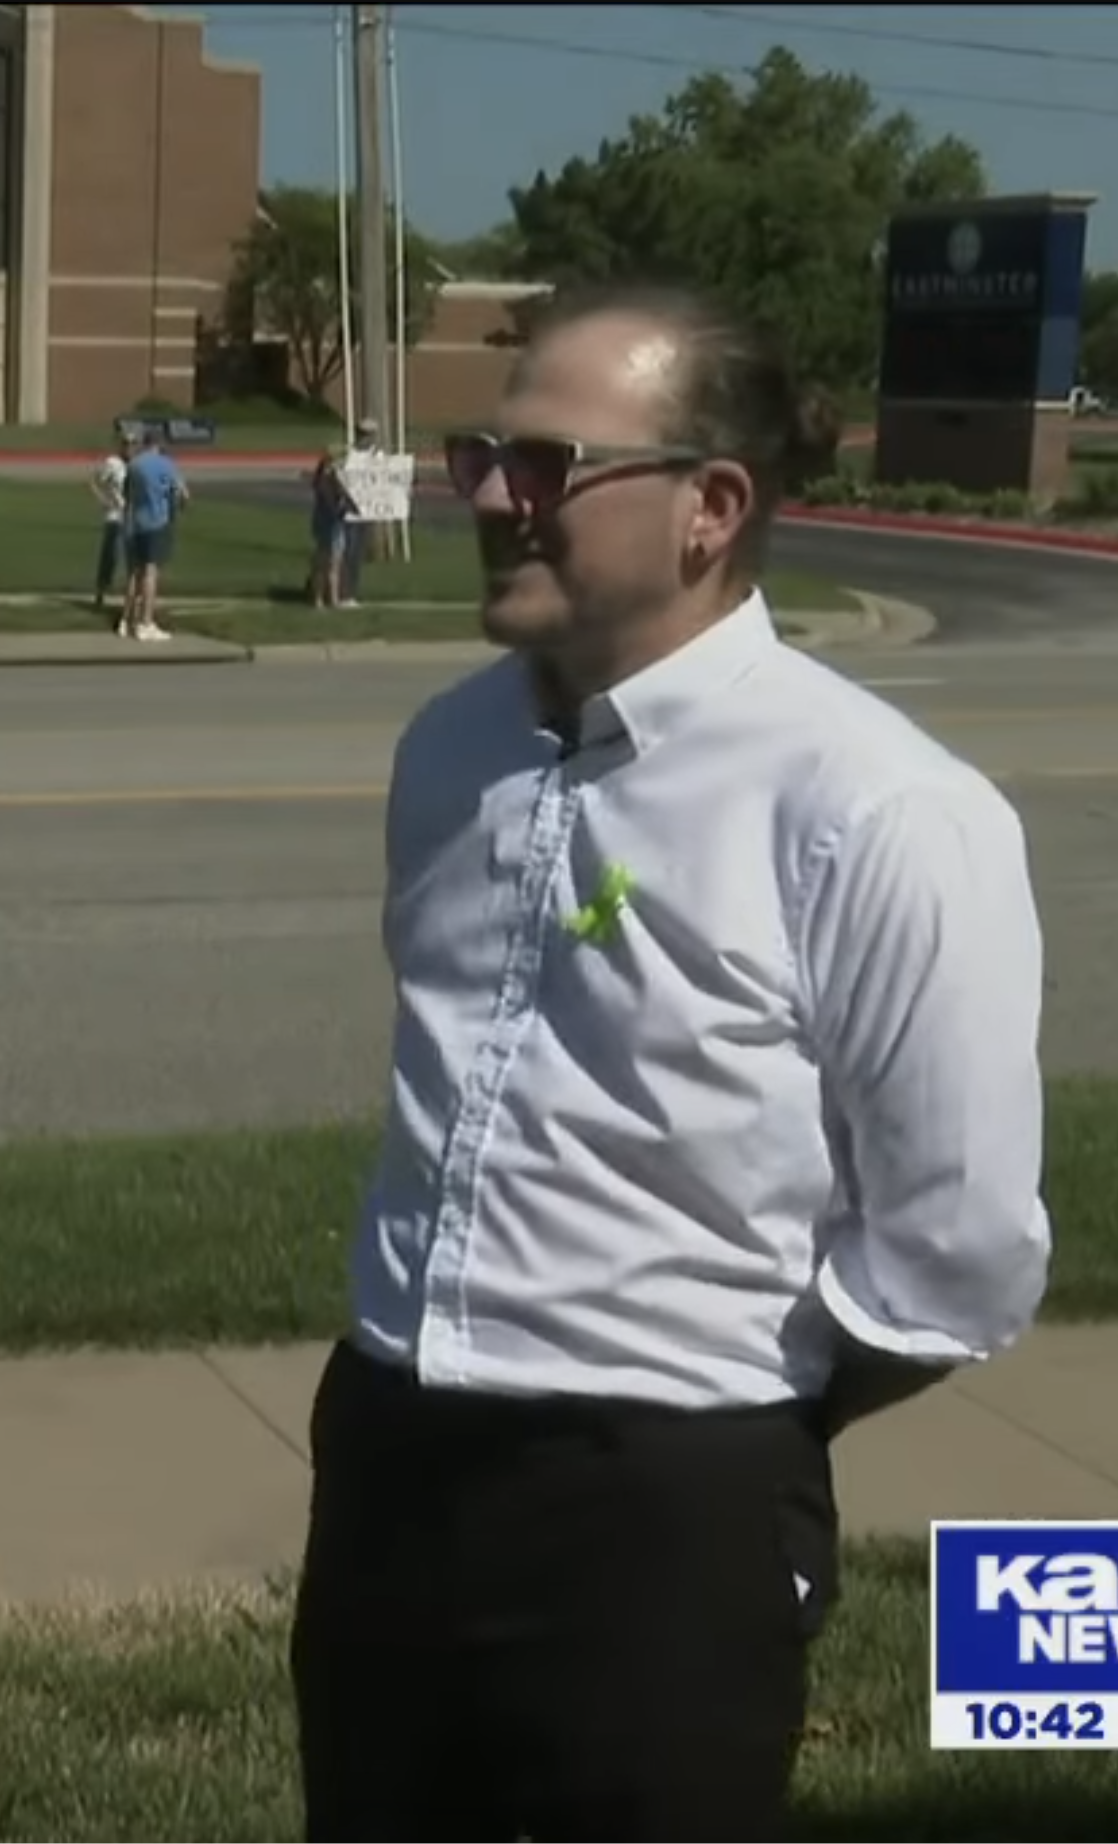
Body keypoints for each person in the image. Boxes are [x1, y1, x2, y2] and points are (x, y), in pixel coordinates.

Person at [289, 282, 1051, 1843]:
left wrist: (724, 1410)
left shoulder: (880, 811)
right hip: (388, 1452)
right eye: (480, 458)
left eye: (550, 467)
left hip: (663, 1501)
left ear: (710, 508)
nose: (495, 498)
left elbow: (955, 1252)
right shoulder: (449, 747)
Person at [119, 428, 188, 642]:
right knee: (151, 572)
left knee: (135, 574)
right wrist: (182, 505)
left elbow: (126, 493)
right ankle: (146, 622)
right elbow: (178, 492)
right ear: (159, 444)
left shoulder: (135, 465)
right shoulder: (165, 464)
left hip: (136, 522)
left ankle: (127, 620)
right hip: (157, 522)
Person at [91, 428, 137, 617]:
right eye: (126, 444)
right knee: (110, 557)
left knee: (135, 562)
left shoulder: (139, 465)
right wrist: (103, 500)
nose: (129, 448)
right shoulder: (112, 463)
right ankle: (101, 592)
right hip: (116, 517)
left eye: (133, 444)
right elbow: (94, 481)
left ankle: (133, 599)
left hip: (135, 519)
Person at [339, 414, 381, 604]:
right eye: (363, 433)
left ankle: (350, 591)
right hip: (348, 513)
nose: (366, 437)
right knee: (346, 553)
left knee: (356, 554)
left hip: (367, 511)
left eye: (370, 434)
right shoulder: (349, 456)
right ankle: (343, 592)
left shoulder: (379, 457)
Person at [306, 445, 353, 608]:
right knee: (324, 563)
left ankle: (333, 599)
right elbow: (331, 504)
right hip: (327, 524)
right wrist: (342, 508)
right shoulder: (325, 480)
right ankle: (319, 598)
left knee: (334, 564)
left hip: (333, 524)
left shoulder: (331, 478)